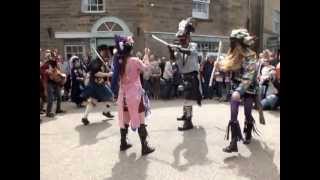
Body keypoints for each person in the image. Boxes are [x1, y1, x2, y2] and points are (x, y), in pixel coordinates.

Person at [217, 29, 260, 152]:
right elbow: (228, 68)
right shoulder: (233, 53)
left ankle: (248, 131)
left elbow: (250, 74)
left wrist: (240, 90)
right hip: (236, 86)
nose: (235, 46)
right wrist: (220, 67)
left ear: (241, 43)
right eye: (234, 43)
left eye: (236, 43)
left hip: (249, 87)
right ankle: (234, 141)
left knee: (247, 113)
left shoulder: (251, 55)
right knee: (233, 112)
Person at [113, 35, 155, 155]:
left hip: (123, 97)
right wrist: (146, 55)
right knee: (141, 120)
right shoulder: (134, 61)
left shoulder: (118, 62)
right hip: (135, 96)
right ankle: (144, 146)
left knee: (125, 120)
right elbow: (146, 68)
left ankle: (123, 143)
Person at [168, 17, 202, 131]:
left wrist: (178, 48)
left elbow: (190, 52)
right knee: (186, 98)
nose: (182, 41)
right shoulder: (179, 49)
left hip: (192, 77)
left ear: (188, 38)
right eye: (180, 39)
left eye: (183, 39)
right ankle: (185, 115)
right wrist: (171, 51)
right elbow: (173, 60)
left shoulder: (194, 46)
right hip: (184, 76)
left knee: (188, 99)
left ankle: (189, 122)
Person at [80, 45, 115, 125]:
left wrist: (107, 79)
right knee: (106, 97)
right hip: (95, 85)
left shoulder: (102, 61)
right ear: (100, 51)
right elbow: (96, 73)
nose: (106, 53)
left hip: (100, 84)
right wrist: (108, 74)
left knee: (108, 97)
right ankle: (86, 117)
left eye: (106, 51)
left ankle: (104, 112)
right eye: (104, 51)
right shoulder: (96, 61)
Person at [40, 50, 66, 117]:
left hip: (56, 82)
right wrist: (47, 72)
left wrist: (61, 76)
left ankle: (58, 109)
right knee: (50, 98)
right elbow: (43, 75)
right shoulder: (45, 65)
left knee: (59, 97)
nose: (54, 57)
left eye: (54, 56)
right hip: (48, 83)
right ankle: (48, 112)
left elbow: (58, 71)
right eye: (52, 56)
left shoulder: (55, 63)